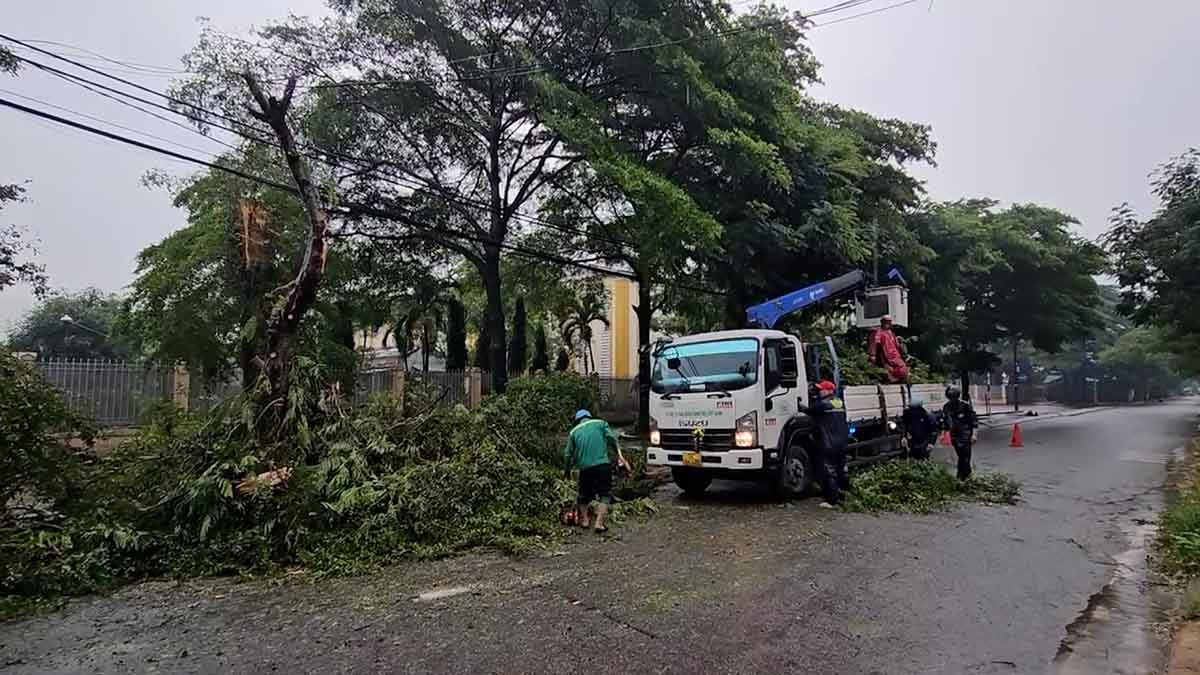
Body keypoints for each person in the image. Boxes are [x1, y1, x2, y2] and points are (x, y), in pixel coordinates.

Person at [563, 409, 629, 533]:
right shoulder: (600, 423)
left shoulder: (574, 432)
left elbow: (567, 455)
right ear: (589, 417)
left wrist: (567, 470)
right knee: (605, 494)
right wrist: (620, 456)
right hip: (602, 465)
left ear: (577, 420)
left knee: (583, 496)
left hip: (585, 468)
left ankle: (585, 521)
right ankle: (599, 523)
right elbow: (612, 439)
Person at [807, 380, 850, 508]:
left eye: (821, 389)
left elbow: (807, 410)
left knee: (829, 471)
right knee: (841, 469)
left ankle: (831, 500)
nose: (820, 392)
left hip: (828, 443)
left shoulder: (822, 404)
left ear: (828, 390)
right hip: (842, 442)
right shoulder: (839, 402)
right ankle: (845, 495)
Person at [941, 385, 979, 480]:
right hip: (955, 436)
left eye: (954, 397)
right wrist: (944, 434)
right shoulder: (946, 407)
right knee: (961, 456)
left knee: (965, 457)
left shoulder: (965, 405)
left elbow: (973, 421)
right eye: (950, 397)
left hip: (966, 435)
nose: (952, 399)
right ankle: (967, 476)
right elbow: (946, 422)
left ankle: (961, 476)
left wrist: (974, 435)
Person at [867, 315, 909, 383]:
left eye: (889, 322)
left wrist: (901, 346)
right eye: (886, 322)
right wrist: (872, 355)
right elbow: (874, 343)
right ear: (882, 322)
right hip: (885, 356)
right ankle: (891, 378)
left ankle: (894, 378)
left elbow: (896, 345)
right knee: (890, 370)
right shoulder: (878, 332)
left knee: (903, 370)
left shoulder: (891, 333)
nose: (888, 324)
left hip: (895, 356)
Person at [901, 394, 938, 460]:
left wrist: (931, 443)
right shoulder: (908, 414)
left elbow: (934, 431)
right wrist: (904, 437)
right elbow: (905, 425)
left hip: (924, 440)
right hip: (913, 439)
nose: (912, 411)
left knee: (923, 456)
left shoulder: (927, 416)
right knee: (913, 457)